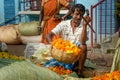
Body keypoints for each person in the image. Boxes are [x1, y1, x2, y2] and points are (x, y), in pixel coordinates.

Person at [46, 4, 91, 77]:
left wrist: (85, 25)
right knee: (50, 68)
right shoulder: (64, 24)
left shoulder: (84, 26)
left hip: (75, 56)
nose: (79, 17)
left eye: (81, 15)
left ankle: (80, 70)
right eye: (76, 14)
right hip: (63, 54)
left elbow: (82, 42)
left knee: (83, 47)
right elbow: (48, 35)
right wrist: (52, 44)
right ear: (72, 14)